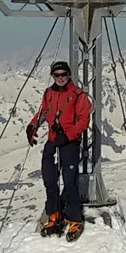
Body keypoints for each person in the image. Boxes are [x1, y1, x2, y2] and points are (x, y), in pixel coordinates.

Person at [26, 60, 92, 241]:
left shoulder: (78, 95)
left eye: (64, 74)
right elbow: (44, 112)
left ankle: (75, 219)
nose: (60, 78)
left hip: (69, 143)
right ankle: (54, 214)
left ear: (69, 75)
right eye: (57, 75)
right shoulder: (49, 93)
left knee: (69, 182)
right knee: (50, 179)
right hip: (53, 140)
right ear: (53, 76)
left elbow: (83, 121)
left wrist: (69, 135)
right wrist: (33, 126)